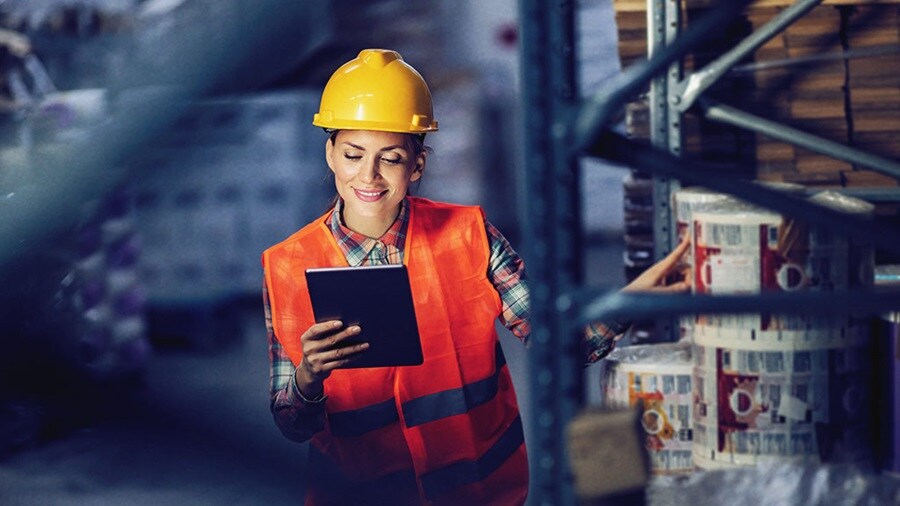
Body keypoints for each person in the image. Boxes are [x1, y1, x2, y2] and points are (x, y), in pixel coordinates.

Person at [261, 48, 689, 505]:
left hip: (477, 492)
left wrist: (630, 299)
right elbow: (292, 424)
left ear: (417, 165)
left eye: (390, 157)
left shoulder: (469, 236)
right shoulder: (287, 264)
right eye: (352, 154)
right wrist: (308, 378)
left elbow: (563, 342)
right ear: (330, 153)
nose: (369, 175)